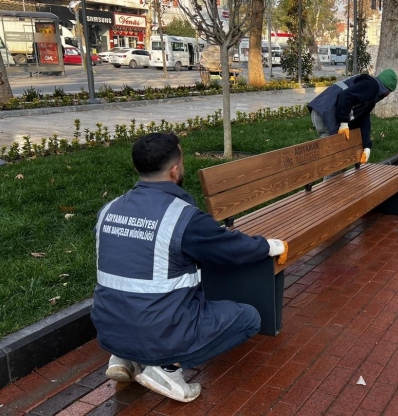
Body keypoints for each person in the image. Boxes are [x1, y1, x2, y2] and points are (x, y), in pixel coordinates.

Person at [91, 133, 287, 402]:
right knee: (249, 318)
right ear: (174, 170)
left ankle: (127, 358)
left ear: (139, 168)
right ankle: (168, 368)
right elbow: (230, 248)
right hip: (158, 332)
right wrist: (269, 246)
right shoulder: (181, 217)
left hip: (110, 329)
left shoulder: (108, 210)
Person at [307, 69, 398, 165]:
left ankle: (333, 178)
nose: (388, 96)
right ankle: (331, 180)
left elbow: (364, 119)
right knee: (336, 161)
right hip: (327, 113)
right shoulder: (372, 85)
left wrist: (367, 147)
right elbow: (345, 96)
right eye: (389, 92)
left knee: (338, 161)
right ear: (386, 89)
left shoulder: (371, 93)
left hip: (323, 111)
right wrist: (344, 123)